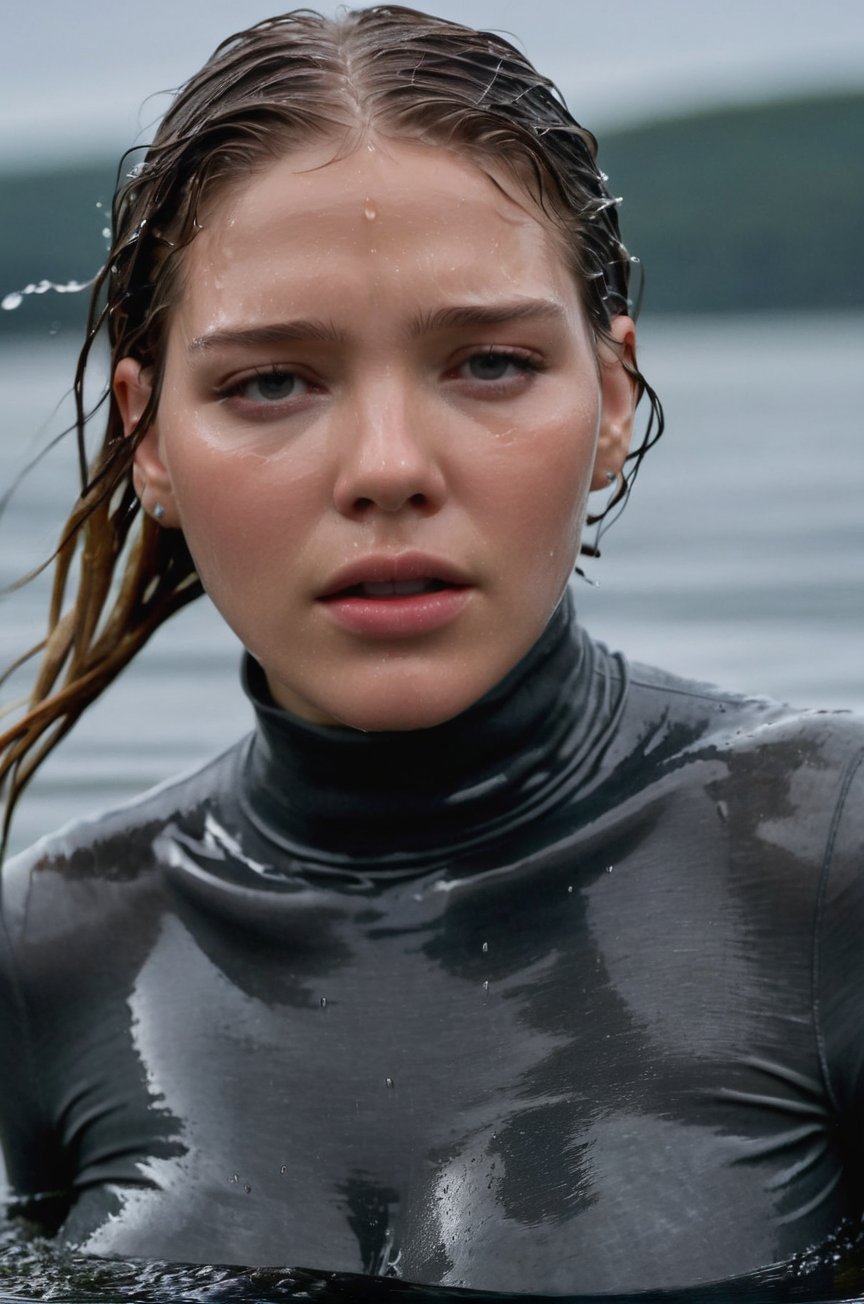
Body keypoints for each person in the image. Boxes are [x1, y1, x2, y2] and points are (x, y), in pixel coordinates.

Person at [0, 6, 862, 1298]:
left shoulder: (823, 867)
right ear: (151, 437)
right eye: (270, 383)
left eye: (492, 363)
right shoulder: (51, 945)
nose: (389, 469)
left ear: (614, 396)